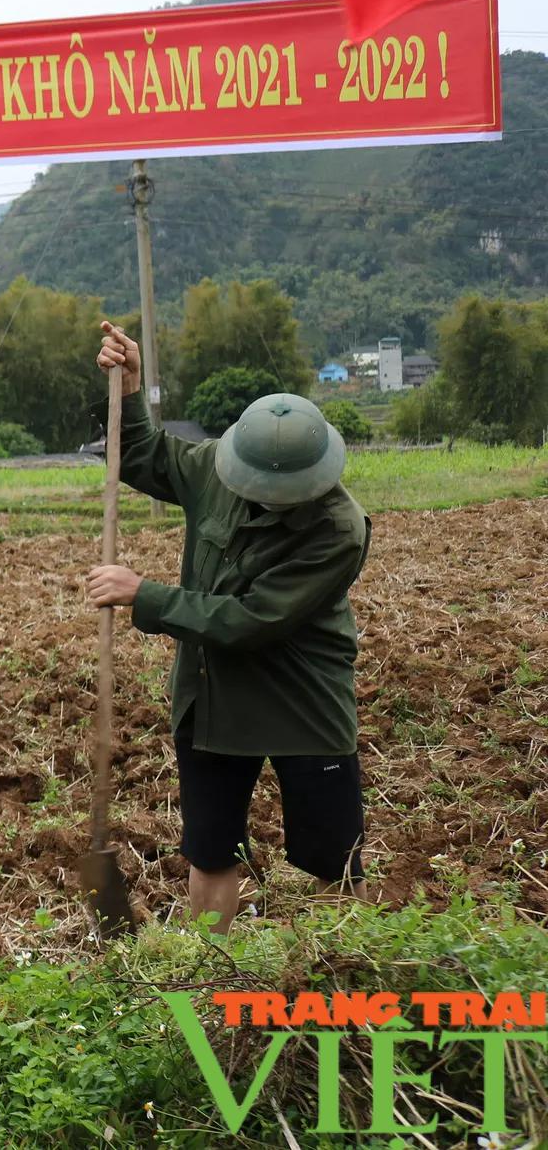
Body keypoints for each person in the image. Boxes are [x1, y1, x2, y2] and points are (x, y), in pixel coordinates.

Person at [90, 321, 371, 934]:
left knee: (333, 859)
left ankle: (336, 967)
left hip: (305, 698)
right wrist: (132, 389)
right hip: (213, 696)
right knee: (212, 848)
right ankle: (208, 973)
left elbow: (252, 619)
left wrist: (146, 594)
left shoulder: (339, 529)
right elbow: (145, 455)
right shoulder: (218, 467)